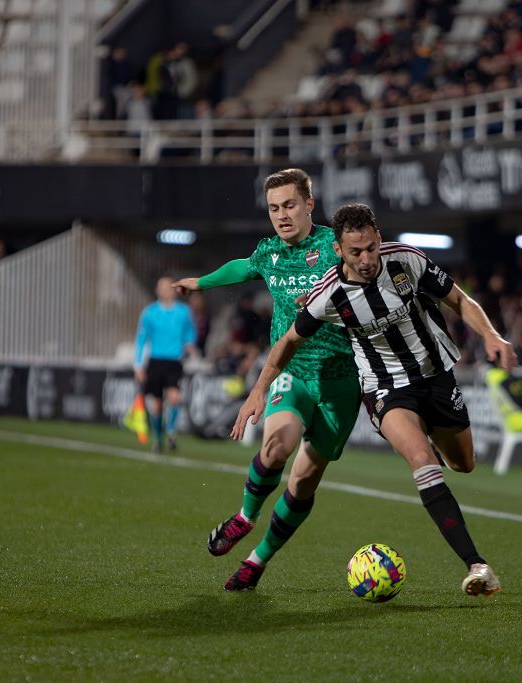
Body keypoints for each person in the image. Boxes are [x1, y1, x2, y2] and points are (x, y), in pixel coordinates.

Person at [231, 202, 517, 597]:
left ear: (378, 238)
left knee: (462, 464)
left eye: (369, 248)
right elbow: (288, 342)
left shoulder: (408, 261)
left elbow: (460, 300)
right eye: (355, 252)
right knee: (422, 461)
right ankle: (478, 565)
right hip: (385, 389)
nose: (365, 259)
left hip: (436, 378)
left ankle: (429, 438)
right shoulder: (328, 293)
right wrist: (259, 390)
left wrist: (491, 336)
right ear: (338, 250)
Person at [174, 169, 359, 592]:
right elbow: (243, 266)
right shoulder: (270, 252)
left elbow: (368, 280)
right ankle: (244, 517)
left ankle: (258, 560)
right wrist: (201, 282)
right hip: (290, 370)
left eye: (290, 205)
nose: (282, 215)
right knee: (277, 446)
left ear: (309, 204)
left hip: (340, 382)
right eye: (274, 208)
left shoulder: (335, 247)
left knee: (302, 483)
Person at [134, 276, 197, 453]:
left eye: (167, 287)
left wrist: (189, 343)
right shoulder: (149, 313)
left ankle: (170, 431)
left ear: (174, 290)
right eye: (160, 287)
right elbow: (141, 339)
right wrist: (138, 365)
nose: (164, 291)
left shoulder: (183, 312)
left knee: (174, 398)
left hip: (174, 361)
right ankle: (157, 438)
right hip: (155, 361)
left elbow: (190, 332)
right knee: (157, 405)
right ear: (157, 291)